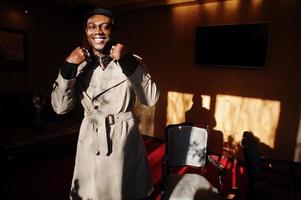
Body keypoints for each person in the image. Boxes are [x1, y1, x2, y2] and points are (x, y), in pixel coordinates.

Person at [51, 8, 159, 200]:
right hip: (91, 138)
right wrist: (68, 66)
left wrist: (126, 60)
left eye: (104, 27)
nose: (98, 31)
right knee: (92, 193)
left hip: (122, 137)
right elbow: (60, 108)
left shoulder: (131, 61)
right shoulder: (78, 66)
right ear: (86, 32)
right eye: (92, 27)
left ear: (113, 31)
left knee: (122, 192)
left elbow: (150, 98)